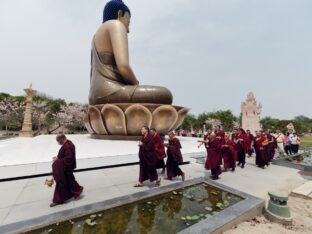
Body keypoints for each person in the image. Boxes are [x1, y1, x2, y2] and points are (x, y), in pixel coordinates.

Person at [89, 0, 172, 105]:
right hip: (110, 91)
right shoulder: (115, 25)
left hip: (95, 94)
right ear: (120, 14)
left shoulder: (96, 36)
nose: (128, 30)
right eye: (128, 23)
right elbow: (123, 66)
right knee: (165, 94)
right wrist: (135, 83)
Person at [50, 134, 83, 207]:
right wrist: (58, 158)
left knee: (61, 183)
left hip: (65, 168)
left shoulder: (68, 146)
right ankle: (78, 190)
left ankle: (58, 200)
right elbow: (66, 156)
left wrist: (58, 161)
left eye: (58, 141)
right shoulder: (68, 144)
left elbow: (69, 159)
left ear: (62, 140)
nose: (58, 143)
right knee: (70, 181)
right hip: (66, 168)